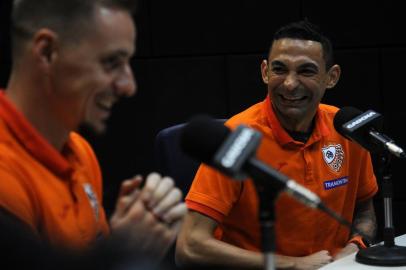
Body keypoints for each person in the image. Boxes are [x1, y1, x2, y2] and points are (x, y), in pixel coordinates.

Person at [176, 20, 378, 270]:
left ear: (331, 77)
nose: (290, 84)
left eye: (306, 71)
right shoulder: (236, 139)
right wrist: (293, 265)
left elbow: (365, 209)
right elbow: (189, 246)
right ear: (265, 72)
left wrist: (356, 245)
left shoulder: (346, 129)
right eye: (280, 69)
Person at [0, 0, 187, 267]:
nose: (128, 86)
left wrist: (127, 241)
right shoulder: (5, 171)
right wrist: (123, 252)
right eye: (111, 62)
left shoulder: (80, 150)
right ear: (47, 52)